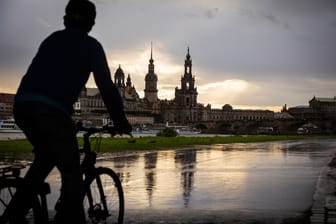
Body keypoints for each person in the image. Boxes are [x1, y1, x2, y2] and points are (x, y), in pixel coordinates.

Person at [5, 0, 132, 223]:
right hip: (51, 111)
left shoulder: (51, 39)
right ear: (91, 22)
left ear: (66, 18)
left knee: (45, 159)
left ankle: (13, 214)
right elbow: (108, 88)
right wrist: (121, 121)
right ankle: (67, 218)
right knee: (72, 173)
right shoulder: (91, 46)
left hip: (23, 106)